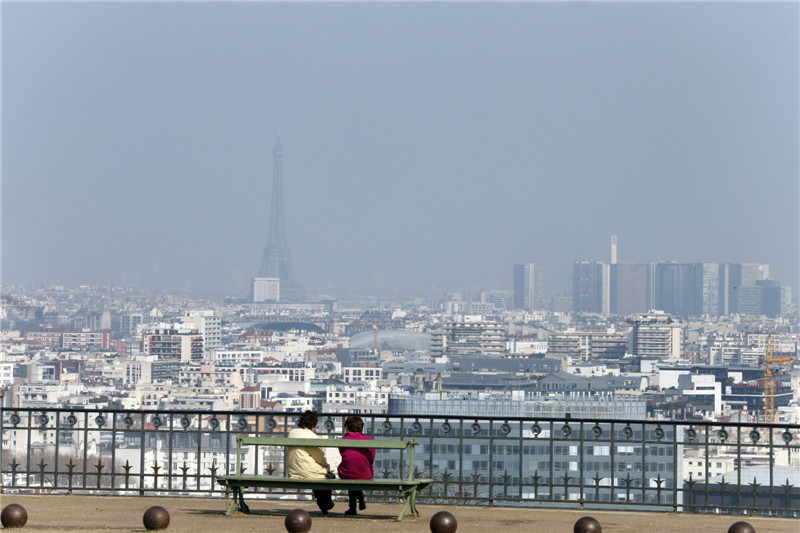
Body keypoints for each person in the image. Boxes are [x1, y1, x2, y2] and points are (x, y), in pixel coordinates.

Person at [287, 410, 335, 514]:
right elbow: (319, 457)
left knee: (317, 473)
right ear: (313, 425)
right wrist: (325, 465)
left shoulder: (292, 432)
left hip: (293, 471)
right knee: (326, 475)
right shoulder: (311, 436)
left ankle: (323, 503)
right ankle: (325, 503)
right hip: (306, 472)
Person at [337, 415, 375, 516]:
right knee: (356, 472)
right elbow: (372, 458)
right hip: (365, 473)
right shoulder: (369, 440)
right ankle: (360, 497)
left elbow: (344, 455)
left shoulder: (342, 440)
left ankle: (352, 508)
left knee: (351, 472)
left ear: (347, 427)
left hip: (346, 473)